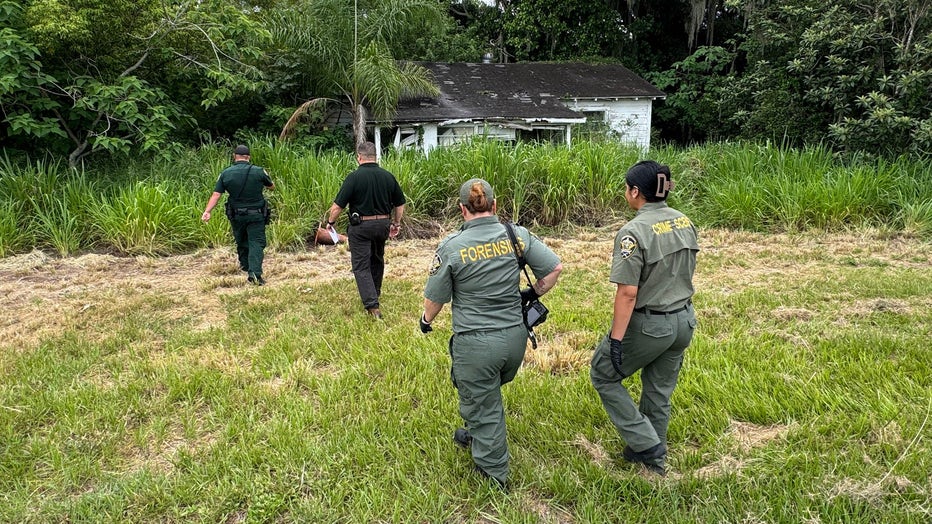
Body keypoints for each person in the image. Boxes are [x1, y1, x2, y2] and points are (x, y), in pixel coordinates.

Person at [420, 178, 563, 489]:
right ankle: (479, 433)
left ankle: (494, 475)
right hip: (515, 339)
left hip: (477, 343)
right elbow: (554, 269)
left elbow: (435, 300)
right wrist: (531, 294)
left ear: (462, 210)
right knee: (484, 394)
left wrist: (425, 320)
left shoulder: (452, 247)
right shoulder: (516, 235)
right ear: (495, 205)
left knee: (482, 400)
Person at [589, 160, 699, 477]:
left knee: (604, 374)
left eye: (627, 187)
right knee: (658, 391)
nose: (626, 192)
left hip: (651, 324)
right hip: (683, 320)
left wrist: (616, 339)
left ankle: (646, 443)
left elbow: (627, 293)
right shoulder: (683, 221)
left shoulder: (633, 232)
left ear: (636, 192)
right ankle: (652, 456)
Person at [325, 142, 406, 318]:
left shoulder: (354, 177)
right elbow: (400, 203)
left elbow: (338, 206)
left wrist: (330, 222)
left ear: (359, 157)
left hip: (361, 227)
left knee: (361, 265)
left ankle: (372, 306)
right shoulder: (388, 176)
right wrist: (396, 223)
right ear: (376, 157)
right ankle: (374, 293)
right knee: (377, 259)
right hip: (383, 224)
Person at [201, 144, 275, 285]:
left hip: (236, 214)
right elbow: (271, 186)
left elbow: (216, 195)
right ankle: (254, 274)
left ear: (235, 156)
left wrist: (207, 211)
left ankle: (245, 265)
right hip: (256, 214)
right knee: (256, 242)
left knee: (241, 239)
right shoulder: (259, 171)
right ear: (248, 157)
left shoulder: (226, 173)